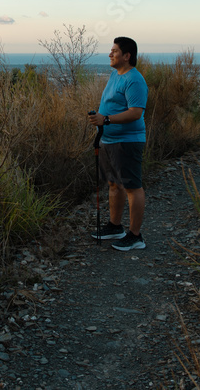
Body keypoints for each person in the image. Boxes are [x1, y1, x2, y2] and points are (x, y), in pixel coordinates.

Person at [88, 37, 147, 251]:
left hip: (128, 141)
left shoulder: (135, 80)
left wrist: (107, 120)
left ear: (126, 56)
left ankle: (135, 236)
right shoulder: (115, 75)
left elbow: (135, 112)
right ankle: (115, 227)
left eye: (114, 51)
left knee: (132, 186)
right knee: (114, 183)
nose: (110, 54)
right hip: (109, 140)